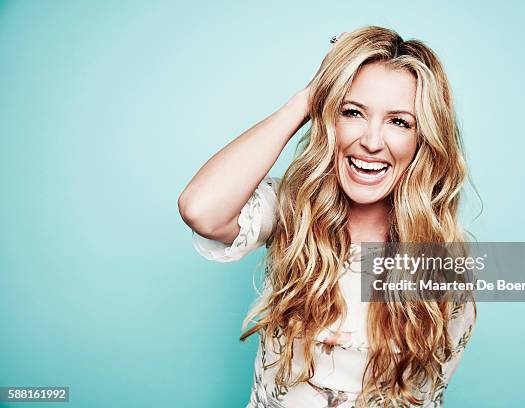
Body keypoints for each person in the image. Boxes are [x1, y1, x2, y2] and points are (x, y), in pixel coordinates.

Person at [178, 25, 476, 408]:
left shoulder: (446, 263)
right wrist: (305, 100)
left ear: (423, 140)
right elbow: (200, 209)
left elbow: (426, 395)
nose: (371, 141)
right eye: (352, 111)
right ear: (330, 118)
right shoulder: (294, 211)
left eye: (399, 121)